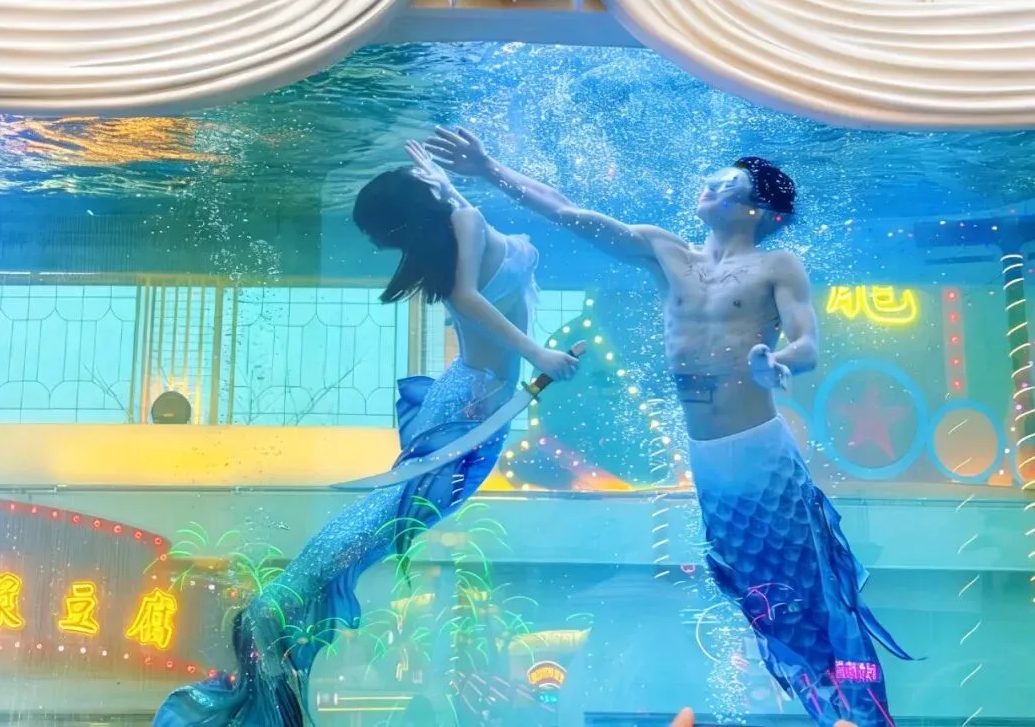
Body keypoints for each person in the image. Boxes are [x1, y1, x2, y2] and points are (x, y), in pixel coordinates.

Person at [424, 127, 913, 727]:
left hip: (760, 451)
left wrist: (780, 361)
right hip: (708, 460)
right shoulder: (666, 251)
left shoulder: (776, 265)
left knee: (811, 589)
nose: (711, 186)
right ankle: (830, 707)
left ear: (761, 211)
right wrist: (490, 170)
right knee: (758, 596)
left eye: (729, 183)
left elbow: (807, 341)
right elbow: (569, 213)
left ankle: (862, 711)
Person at [152, 140, 578, 727]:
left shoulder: (461, 222)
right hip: (472, 405)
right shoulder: (466, 223)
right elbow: (466, 294)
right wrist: (539, 355)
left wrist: (440, 180)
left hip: (471, 398)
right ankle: (277, 607)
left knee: (394, 513)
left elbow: (465, 236)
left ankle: (282, 605)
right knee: (392, 513)